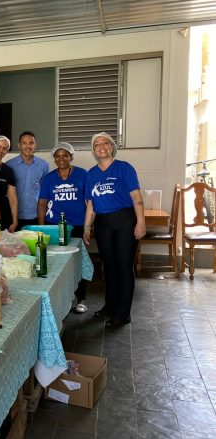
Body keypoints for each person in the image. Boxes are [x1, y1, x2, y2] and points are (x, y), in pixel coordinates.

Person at [83, 132, 146, 328]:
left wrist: (141, 222)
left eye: (105, 143)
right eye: (96, 144)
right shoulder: (91, 174)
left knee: (123, 267)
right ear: (93, 150)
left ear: (112, 147)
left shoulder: (124, 168)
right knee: (108, 267)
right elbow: (91, 204)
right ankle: (110, 306)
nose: (101, 147)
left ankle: (123, 313)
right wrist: (87, 227)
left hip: (125, 221)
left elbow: (137, 198)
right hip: (103, 224)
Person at [38, 142, 89, 313]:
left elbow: (90, 202)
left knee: (78, 262)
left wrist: (88, 226)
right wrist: (41, 227)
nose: (61, 159)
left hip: (77, 226)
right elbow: (42, 203)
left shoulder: (83, 175)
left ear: (71, 157)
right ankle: (59, 300)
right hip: (54, 226)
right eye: (57, 156)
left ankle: (81, 299)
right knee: (57, 264)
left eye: (65, 155)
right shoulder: (49, 178)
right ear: (54, 159)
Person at [6, 131, 49, 229]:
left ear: (35, 145)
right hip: (14, 216)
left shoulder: (44, 165)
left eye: (31, 143)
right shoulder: (9, 165)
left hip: (35, 215)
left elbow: (43, 190)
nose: (28, 146)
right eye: (24, 143)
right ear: (19, 145)